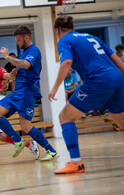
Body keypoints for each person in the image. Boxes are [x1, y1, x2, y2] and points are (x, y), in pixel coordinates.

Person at [48, 16, 124, 174]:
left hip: (98, 81)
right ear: (72, 27)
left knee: (65, 117)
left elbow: (66, 62)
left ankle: (76, 163)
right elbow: (115, 59)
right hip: (117, 79)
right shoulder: (91, 37)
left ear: (57, 30)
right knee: (122, 122)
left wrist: (55, 88)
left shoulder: (64, 40)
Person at [0, 25, 58, 160]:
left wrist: (7, 57)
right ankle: (18, 140)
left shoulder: (34, 50)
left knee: (25, 126)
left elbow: (26, 64)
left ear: (26, 37)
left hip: (28, 92)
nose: (17, 42)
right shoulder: (23, 52)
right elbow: (20, 70)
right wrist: (10, 78)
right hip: (17, 92)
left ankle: (51, 151)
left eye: (18, 39)